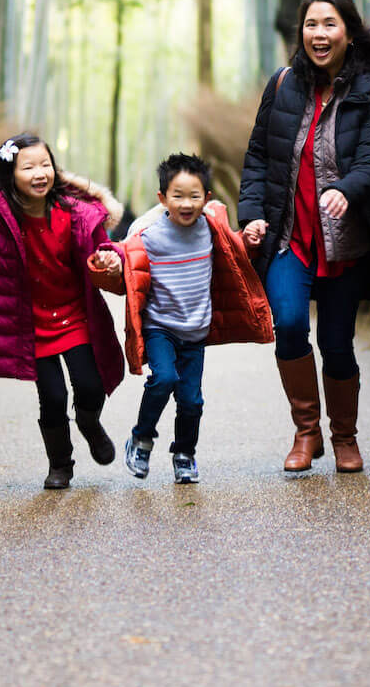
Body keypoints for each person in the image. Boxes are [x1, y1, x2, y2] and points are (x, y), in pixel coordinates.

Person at [239, 0, 370, 475]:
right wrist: (251, 216)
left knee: (336, 342)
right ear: (301, 33)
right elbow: (258, 157)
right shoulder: (283, 84)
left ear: (349, 32)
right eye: (311, 24)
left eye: (330, 24)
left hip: (342, 240)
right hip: (289, 236)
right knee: (287, 324)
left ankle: (344, 437)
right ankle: (306, 433)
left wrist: (347, 189)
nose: (320, 34)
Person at [0, 133, 126, 490]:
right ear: (10, 175)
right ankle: (60, 465)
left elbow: (103, 246)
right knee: (53, 395)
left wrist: (107, 259)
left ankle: (89, 423)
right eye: (29, 167)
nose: (40, 173)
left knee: (90, 384)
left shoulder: (76, 213)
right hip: (31, 323)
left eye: (45, 165)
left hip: (76, 316)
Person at [88, 153, 273, 484]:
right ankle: (142, 439)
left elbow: (236, 250)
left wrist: (250, 239)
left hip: (195, 333)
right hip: (161, 327)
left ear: (207, 198)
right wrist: (107, 262)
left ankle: (184, 454)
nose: (186, 204)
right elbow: (125, 260)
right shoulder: (150, 235)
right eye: (177, 196)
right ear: (162, 199)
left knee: (192, 400)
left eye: (194, 196)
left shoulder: (211, 230)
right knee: (163, 379)